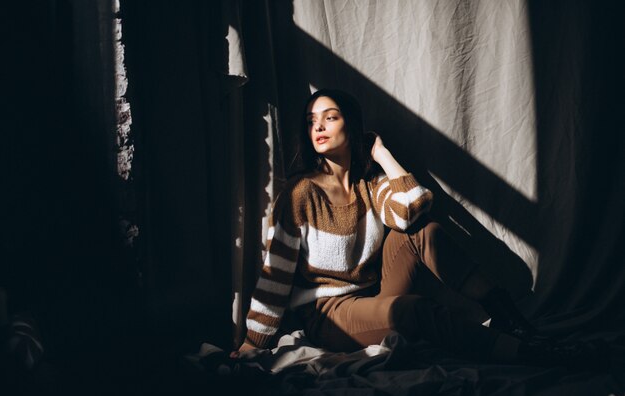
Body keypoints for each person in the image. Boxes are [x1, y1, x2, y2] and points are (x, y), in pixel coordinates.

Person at [232, 89, 602, 366]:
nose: (319, 127)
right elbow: (275, 273)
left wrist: (381, 155)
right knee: (413, 310)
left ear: (353, 126)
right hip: (327, 313)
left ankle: (510, 318)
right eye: (313, 121)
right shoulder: (301, 193)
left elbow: (413, 209)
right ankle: (522, 352)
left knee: (423, 232)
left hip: (371, 294)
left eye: (330, 117)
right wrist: (254, 342)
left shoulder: (368, 183)